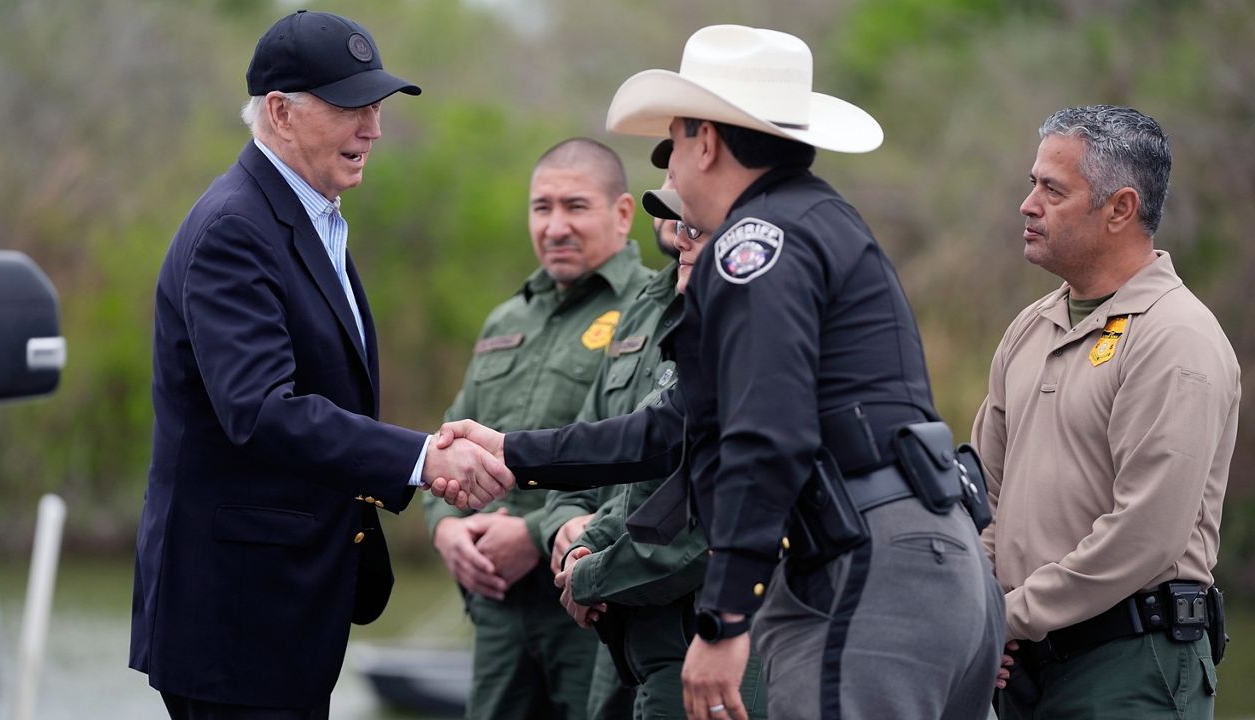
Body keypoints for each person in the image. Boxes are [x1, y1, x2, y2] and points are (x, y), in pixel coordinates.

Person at [433, 24, 1004, 720]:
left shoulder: (752, 246)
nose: (667, 167)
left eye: (674, 139)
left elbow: (765, 438)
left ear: (706, 141)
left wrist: (725, 621)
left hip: (867, 571)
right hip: (925, 562)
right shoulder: (815, 220)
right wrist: (514, 452)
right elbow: (680, 427)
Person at [128, 11, 511, 718]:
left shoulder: (312, 213)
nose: (373, 129)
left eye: (375, 108)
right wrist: (423, 457)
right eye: (349, 108)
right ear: (279, 111)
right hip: (234, 624)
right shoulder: (235, 230)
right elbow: (263, 411)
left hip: (284, 613)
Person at [973, 105, 1239, 719]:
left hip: (1129, 666)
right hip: (1016, 663)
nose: (1028, 203)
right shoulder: (1030, 327)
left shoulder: (1178, 338)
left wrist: (1008, 615)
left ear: (1120, 208)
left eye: (1052, 189)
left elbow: (1142, 535)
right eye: (1032, 182)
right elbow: (983, 493)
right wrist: (979, 611)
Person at [422, 137, 654, 720]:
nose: (555, 226)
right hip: (498, 611)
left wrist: (531, 535)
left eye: (575, 206)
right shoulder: (507, 318)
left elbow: (654, 453)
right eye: (541, 207)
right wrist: (445, 528)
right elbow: (450, 438)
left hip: (591, 605)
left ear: (623, 213)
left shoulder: (651, 311)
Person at [550, 158, 769, 720]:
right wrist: (581, 537)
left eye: (697, 227)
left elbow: (709, 520)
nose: (682, 237)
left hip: (724, 648)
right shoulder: (668, 317)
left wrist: (591, 573)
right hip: (642, 637)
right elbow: (644, 472)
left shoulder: (763, 342)